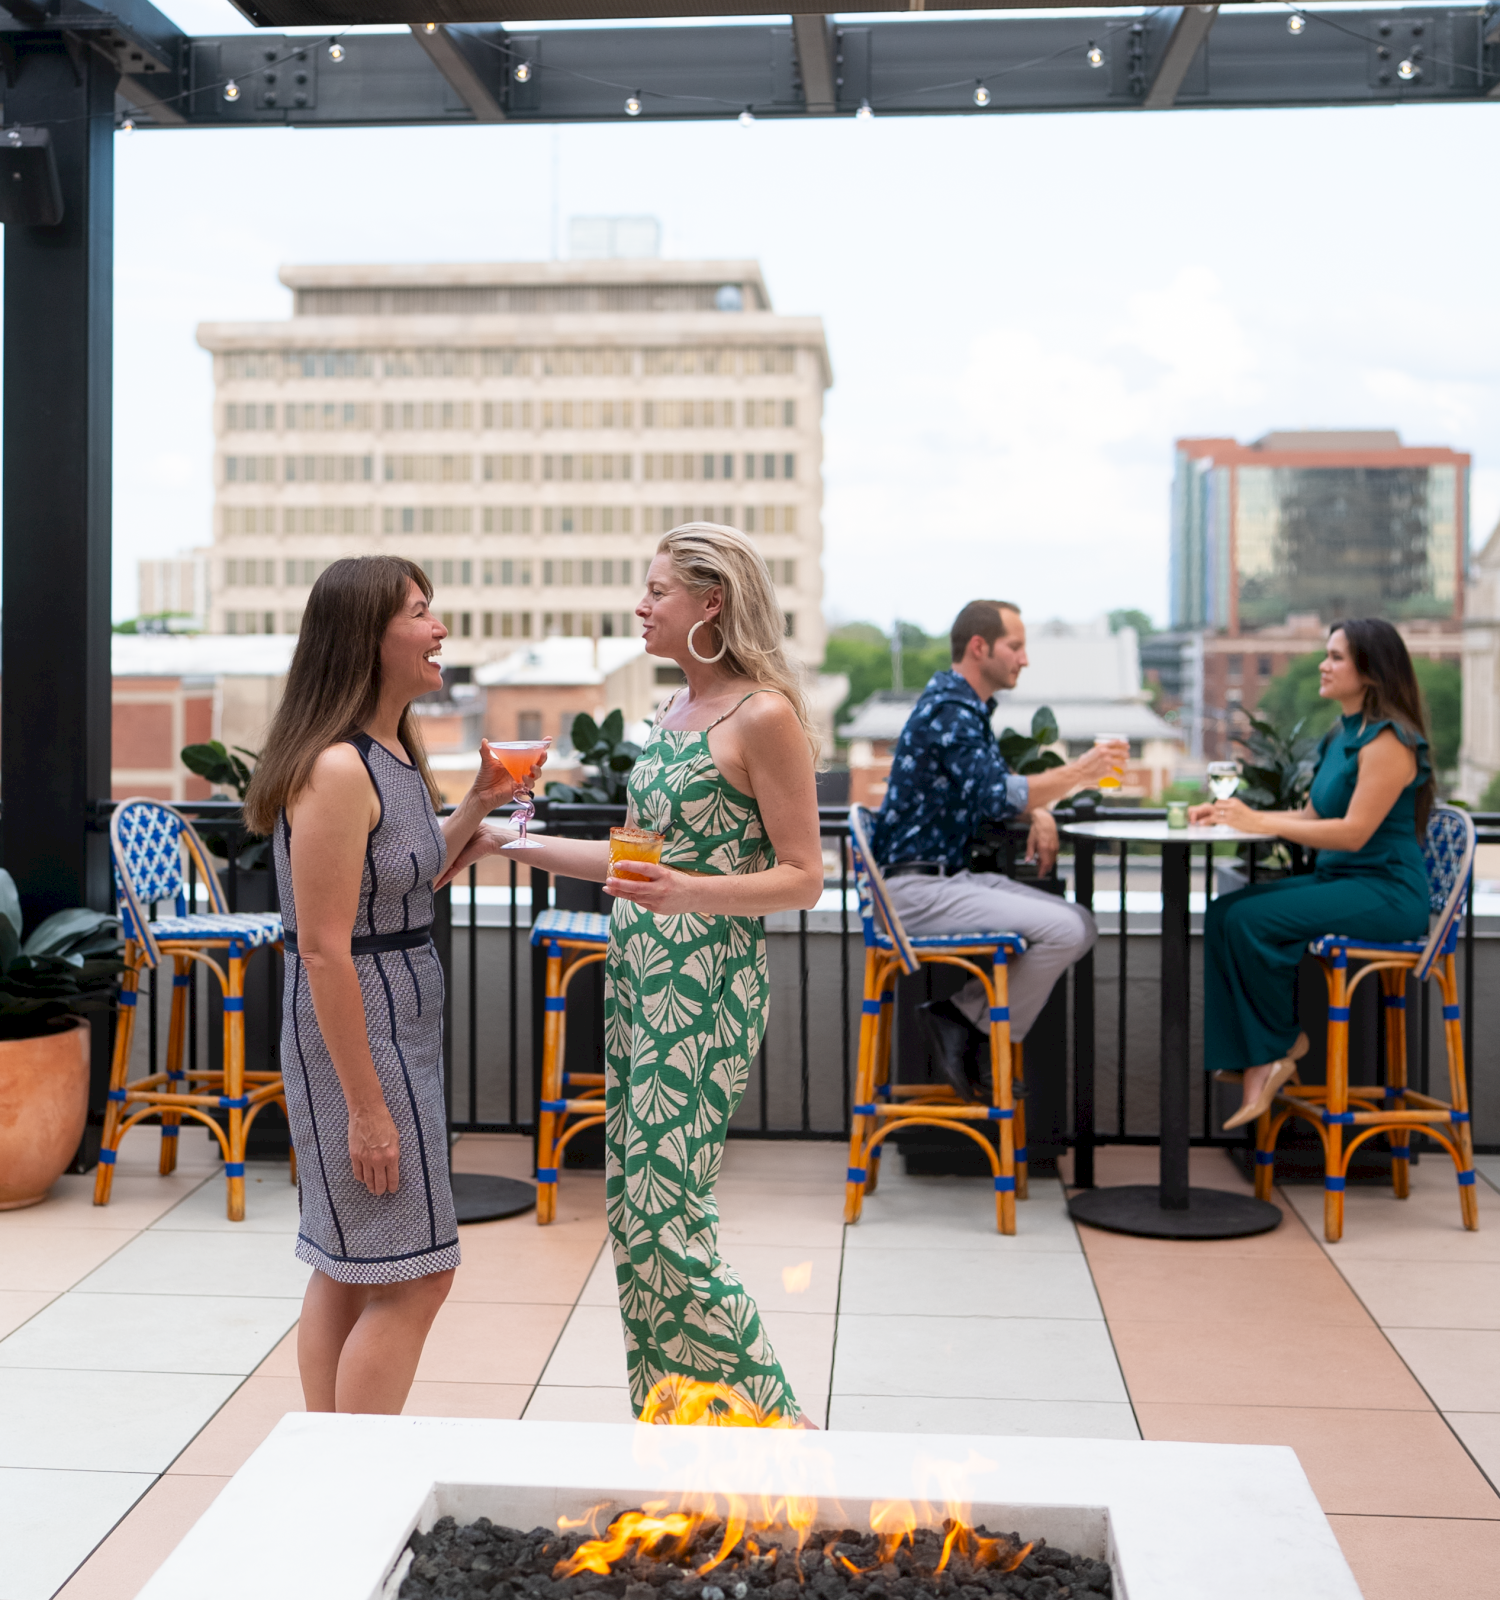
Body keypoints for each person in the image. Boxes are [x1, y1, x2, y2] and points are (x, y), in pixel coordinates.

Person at [440, 524, 824, 1426]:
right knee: (633, 1210)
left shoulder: (761, 715)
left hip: (710, 982)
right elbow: (635, 860)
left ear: (711, 602)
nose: (641, 608)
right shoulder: (674, 716)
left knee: (665, 1216)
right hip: (643, 975)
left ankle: (783, 1431)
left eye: (657, 591)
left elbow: (805, 878)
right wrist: (509, 839)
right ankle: (682, 1426)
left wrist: (690, 889)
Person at [243, 556, 541, 1415]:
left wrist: (478, 805)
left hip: (394, 1018)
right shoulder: (337, 770)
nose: (439, 627)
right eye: (421, 612)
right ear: (367, 638)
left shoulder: (390, 755)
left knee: (349, 1263)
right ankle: (356, 1469)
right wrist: (367, 1107)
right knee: (416, 1274)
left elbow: (399, 887)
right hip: (358, 1029)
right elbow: (329, 950)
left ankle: (328, 1462)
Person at [872, 599, 1126, 1100]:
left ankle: (962, 1020)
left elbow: (991, 790)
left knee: (1080, 925)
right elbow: (996, 794)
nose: (1024, 659)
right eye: (1016, 646)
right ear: (979, 647)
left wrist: (1037, 809)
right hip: (914, 889)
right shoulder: (950, 711)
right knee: (1068, 928)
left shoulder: (962, 708)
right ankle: (972, 1027)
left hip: (938, 879)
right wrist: (1081, 771)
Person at [1195, 618, 1434, 1129]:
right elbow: (1310, 818)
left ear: (1370, 671)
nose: (1324, 666)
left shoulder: (1390, 741)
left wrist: (1256, 820)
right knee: (1223, 913)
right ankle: (1259, 1055)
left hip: (1386, 892)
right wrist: (1229, 812)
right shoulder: (1344, 735)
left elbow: (1352, 833)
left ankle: (1275, 1047)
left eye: (1336, 657)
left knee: (1251, 921)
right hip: (1344, 883)